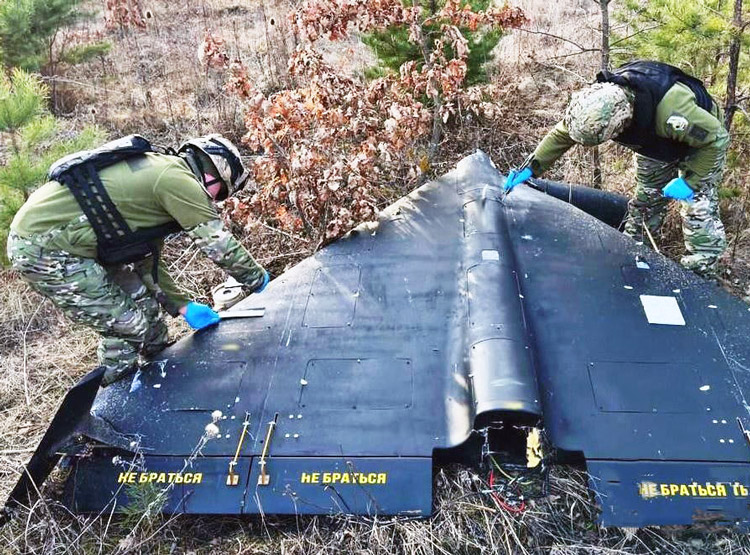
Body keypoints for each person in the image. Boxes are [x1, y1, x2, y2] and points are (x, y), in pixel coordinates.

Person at [7, 134, 269, 386]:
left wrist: (182, 306)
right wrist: (260, 282)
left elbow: (148, 260)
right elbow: (217, 244)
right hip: (43, 246)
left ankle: (159, 376)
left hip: (76, 242)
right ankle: (113, 400)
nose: (215, 199)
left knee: (148, 313)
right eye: (221, 192)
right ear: (214, 172)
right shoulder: (177, 179)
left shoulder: (161, 176)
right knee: (127, 325)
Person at [505, 60, 729, 277]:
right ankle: (635, 255)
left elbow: (716, 139)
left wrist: (691, 181)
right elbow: (562, 135)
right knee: (646, 201)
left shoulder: (672, 113)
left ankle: (702, 274)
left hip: (701, 148)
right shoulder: (592, 107)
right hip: (656, 145)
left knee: (698, 209)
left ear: (621, 123)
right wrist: (531, 168)